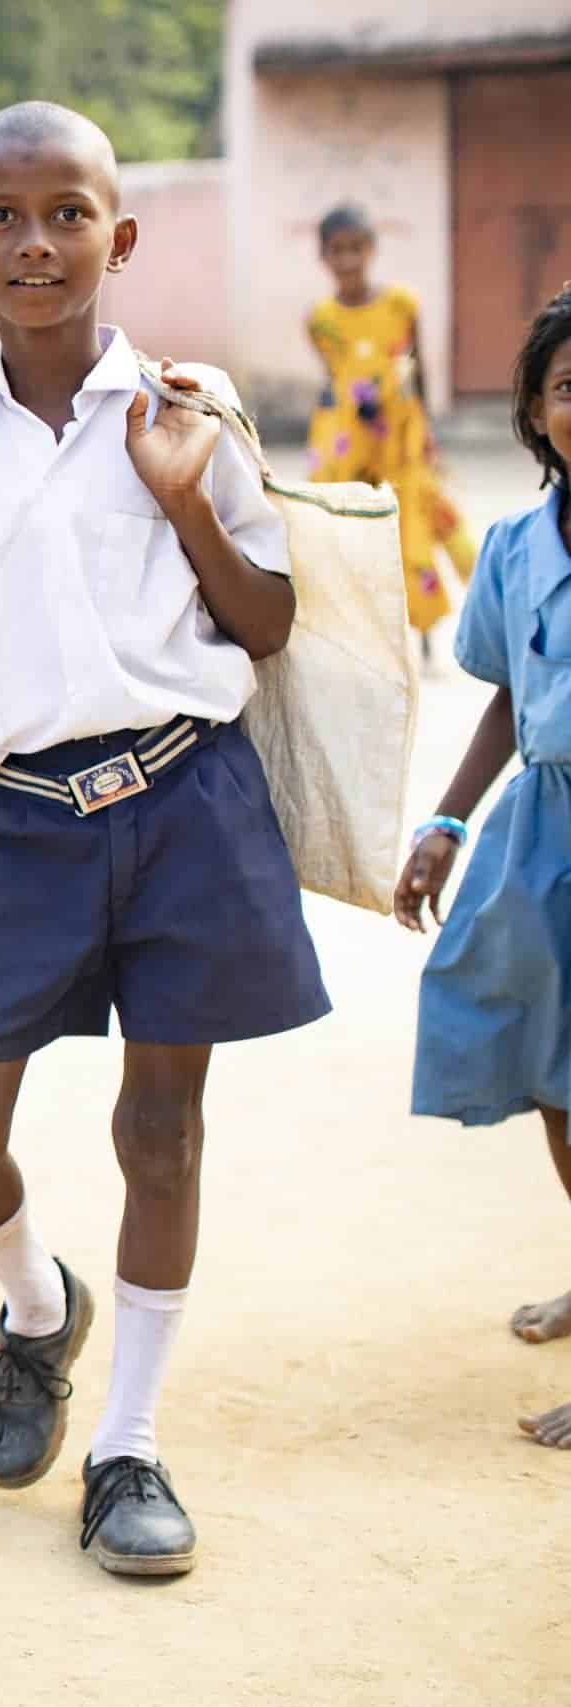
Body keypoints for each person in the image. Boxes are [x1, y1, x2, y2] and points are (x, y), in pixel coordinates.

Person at [0, 103, 328, 1578]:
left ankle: (128, 1445)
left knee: (160, 1129)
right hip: (25, 831)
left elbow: (266, 625)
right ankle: (40, 1311)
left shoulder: (187, 413)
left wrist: (183, 499)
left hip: (187, 803)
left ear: (122, 235)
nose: (35, 242)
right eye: (3, 215)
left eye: (67, 214)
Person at [397, 287, 571, 1448]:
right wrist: (446, 826)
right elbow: (508, 697)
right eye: (569, 386)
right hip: (543, 835)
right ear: (534, 411)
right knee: (551, 1072)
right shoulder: (513, 549)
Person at [306, 203, 479, 659]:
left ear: (372, 249)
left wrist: (427, 432)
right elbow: (335, 378)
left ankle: (424, 631)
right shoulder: (320, 319)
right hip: (349, 441)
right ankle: (363, 635)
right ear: (324, 256)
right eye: (337, 250)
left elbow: (417, 372)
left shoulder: (401, 305)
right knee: (348, 529)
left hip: (400, 436)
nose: (348, 260)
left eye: (356, 248)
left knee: (415, 520)